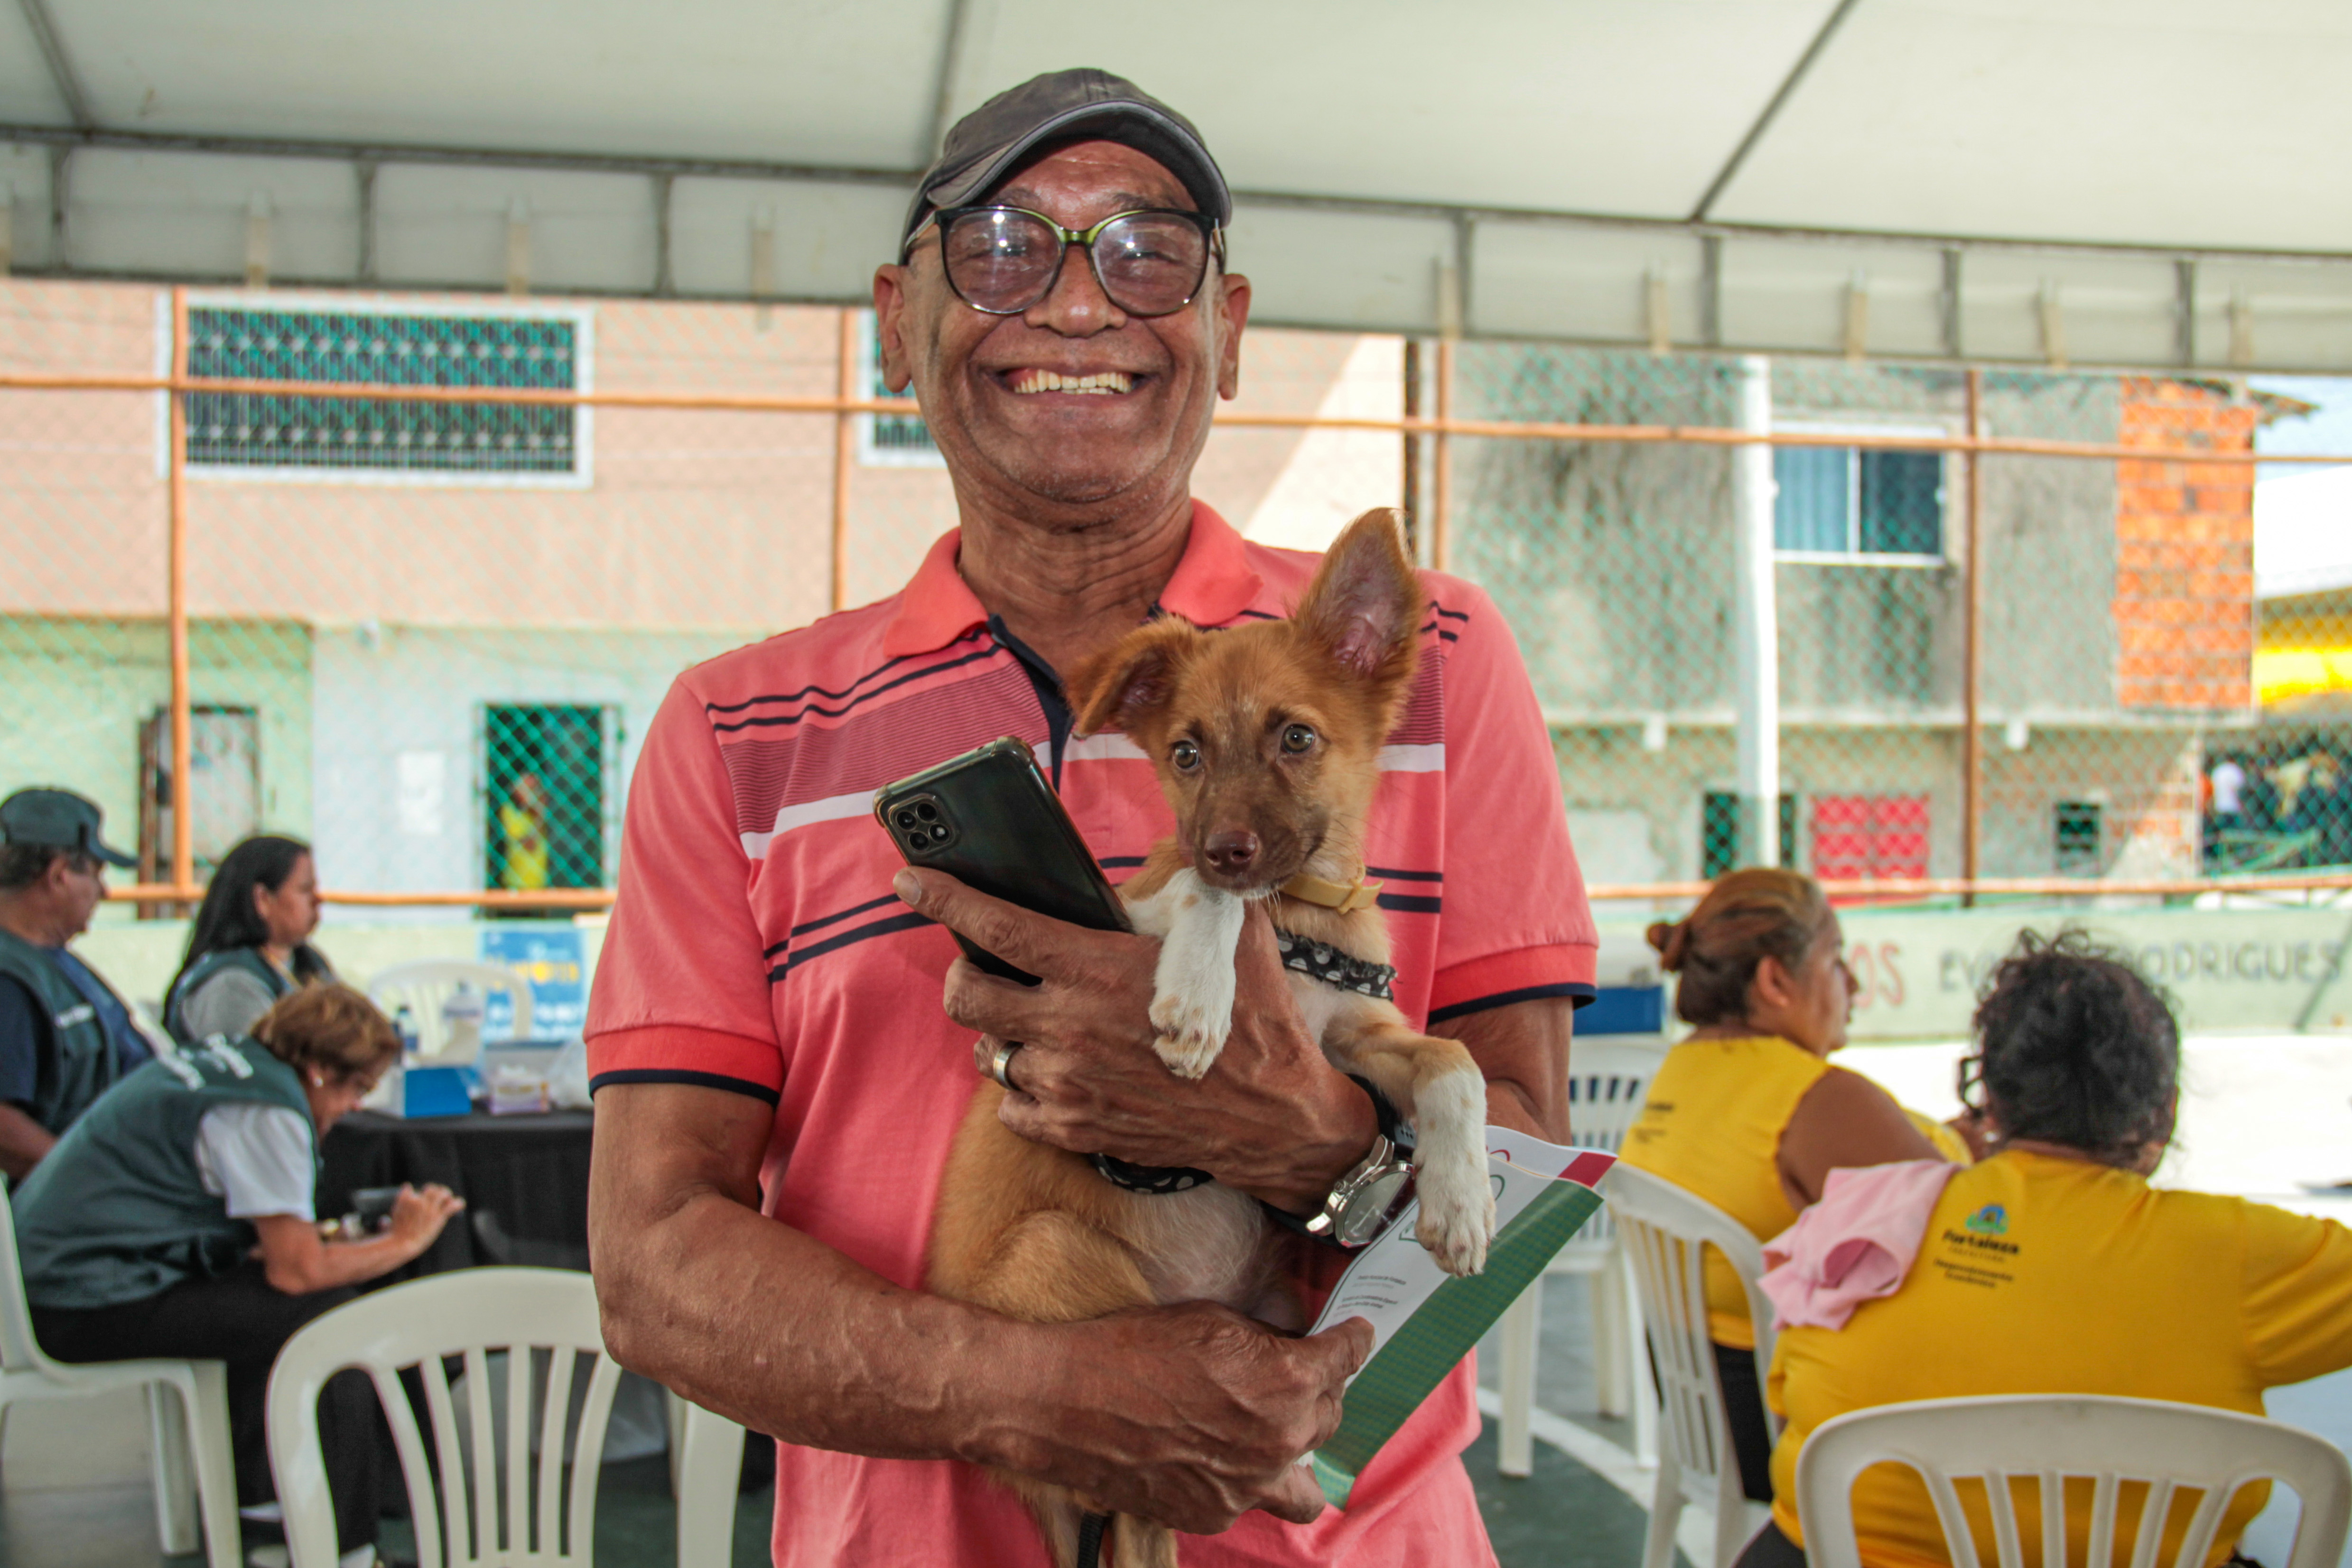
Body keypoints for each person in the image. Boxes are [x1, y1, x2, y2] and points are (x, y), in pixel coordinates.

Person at [585, 67, 1597, 1566]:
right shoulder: (735, 735)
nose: (1075, 307)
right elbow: (653, 1264)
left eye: (1145, 251)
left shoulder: (1424, 661)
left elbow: (1517, 1167)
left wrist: (1298, 1134)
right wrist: (1040, 1385)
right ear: (897, 321)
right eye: (999, 248)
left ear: (1225, 330)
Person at [1744, 932, 2352, 1568]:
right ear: (2162, 1114)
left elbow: (1792, 1412)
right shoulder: (2236, 1255)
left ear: (1991, 1102)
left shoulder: (1856, 1216)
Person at [13, 984, 464, 1568]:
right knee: (335, 1324)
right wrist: (405, 1241)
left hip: (59, 1281)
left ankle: (265, 1507)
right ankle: (347, 1549)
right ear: (322, 1069)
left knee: (266, 1306)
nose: (355, 1106)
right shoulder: (266, 1109)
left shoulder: (227, 1062)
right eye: (357, 1088)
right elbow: (297, 1270)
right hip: (79, 1300)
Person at [1621, 867, 1965, 1505]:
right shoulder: (1817, 1098)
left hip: (1703, 1415)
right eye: (1837, 960)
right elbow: (1972, 1230)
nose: (1854, 984)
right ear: (1775, 980)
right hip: (1801, 1440)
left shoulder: (1682, 1069)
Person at [0, 787, 151, 1178]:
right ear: (59, 874)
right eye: (98, 874)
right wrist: (93, 1178)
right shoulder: (10, 980)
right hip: (62, 1216)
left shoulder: (50, 958)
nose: (106, 891)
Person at [162, 834, 335, 1047]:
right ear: (263, 899)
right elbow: (256, 1070)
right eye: (305, 889)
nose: (318, 900)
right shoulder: (231, 987)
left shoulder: (309, 962)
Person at [498, 772, 551, 892]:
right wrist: (538, 813)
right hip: (517, 884)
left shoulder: (544, 814)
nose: (532, 796)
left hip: (541, 883)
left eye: (535, 790)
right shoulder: (510, 811)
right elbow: (530, 845)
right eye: (527, 790)